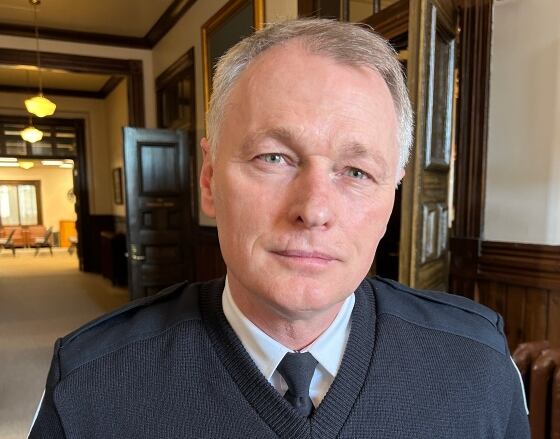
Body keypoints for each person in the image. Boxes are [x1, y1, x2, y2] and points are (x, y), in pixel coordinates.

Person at [29, 18, 529, 438]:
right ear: (209, 179)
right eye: (275, 157)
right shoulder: (91, 383)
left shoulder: (477, 363)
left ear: (392, 194)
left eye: (357, 172)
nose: (314, 209)